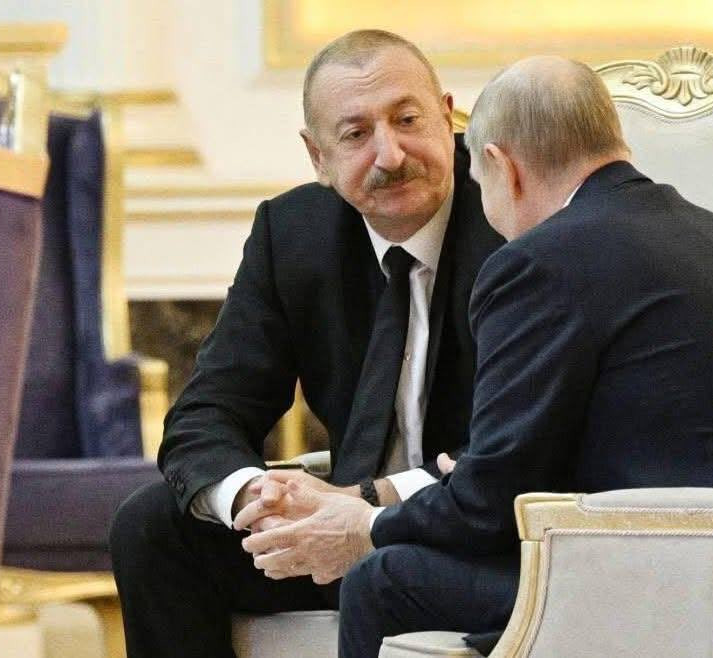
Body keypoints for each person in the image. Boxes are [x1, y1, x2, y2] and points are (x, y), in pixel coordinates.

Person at [238, 56, 713, 657]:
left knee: (383, 577)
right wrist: (475, 475)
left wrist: (366, 526)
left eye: (480, 183)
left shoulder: (543, 260)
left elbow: (489, 503)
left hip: (646, 575)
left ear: (503, 167)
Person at [108, 30, 503, 658]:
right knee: (152, 526)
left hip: (468, 532)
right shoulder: (294, 234)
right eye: (356, 134)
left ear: (448, 116)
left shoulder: (510, 217)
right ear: (317, 156)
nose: (390, 154)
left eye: (407, 121)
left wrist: (368, 506)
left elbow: (523, 443)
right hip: (334, 530)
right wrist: (254, 497)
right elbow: (207, 414)